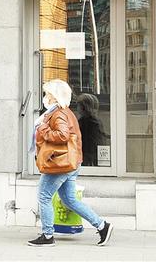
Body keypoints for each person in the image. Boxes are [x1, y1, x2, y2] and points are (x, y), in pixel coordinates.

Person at [28, 79, 113, 247]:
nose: (45, 97)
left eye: (47, 94)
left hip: (60, 164)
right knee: (69, 199)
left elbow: (62, 135)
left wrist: (43, 129)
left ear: (54, 96)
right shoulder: (65, 112)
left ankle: (47, 236)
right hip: (71, 162)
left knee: (44, 196)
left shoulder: (58, 113)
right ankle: (102, 226)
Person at [76, 93, 108, 166]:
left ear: (84, 107)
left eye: (78, 105)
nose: (77, 108)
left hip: (88, 155)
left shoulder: (86, 122)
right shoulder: (96, 121)